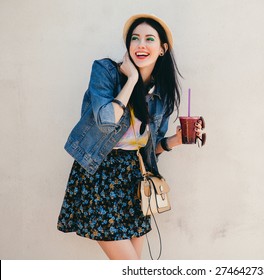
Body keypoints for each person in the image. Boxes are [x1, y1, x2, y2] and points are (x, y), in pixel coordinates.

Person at [57, 14, 203, 260]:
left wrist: (175, 140)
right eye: (135, 39)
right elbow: (106, 122)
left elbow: (149, 148)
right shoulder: (106, 72)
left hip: (134, 181)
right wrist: (132, 79)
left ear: (162, 49)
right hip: (99, 176)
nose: (140, 44)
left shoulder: (162, 94)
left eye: (149, 39)